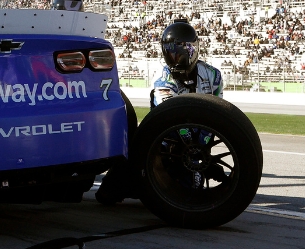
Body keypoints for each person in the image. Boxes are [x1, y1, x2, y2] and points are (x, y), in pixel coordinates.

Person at [96, 18, 223, 205]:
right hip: (163, 140)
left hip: (197, 139)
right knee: (107, 195)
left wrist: (201, 151)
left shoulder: (212, 75)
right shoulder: (162, 77)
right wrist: (193, 150)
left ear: (194, 49)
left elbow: (219, 114)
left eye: (182, 51)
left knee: (191, 190)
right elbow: (171, 117)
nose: (177, 58)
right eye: (171, 52)